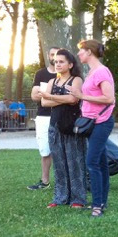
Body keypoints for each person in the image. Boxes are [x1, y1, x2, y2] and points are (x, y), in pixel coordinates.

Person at [66, 40, 115, 217]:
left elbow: (109, 98)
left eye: (81, 51)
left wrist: (81, 95)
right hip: (92, 122)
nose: (78, 54)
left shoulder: (101, 71)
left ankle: (97, 205)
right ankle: (101, 201)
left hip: (102, 122)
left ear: (89, 52)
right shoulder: (92, 72)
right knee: (100, 163)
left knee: (92, 162)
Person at [38, 49, 87, 208]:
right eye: (56, 61)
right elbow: (44, 103)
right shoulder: (52, 82)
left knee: (75, 163)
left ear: (70, 64)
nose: (57, 64)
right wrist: (61, 99)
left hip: (71, 127)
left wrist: (51, 96)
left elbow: (73, 99)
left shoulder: (76, 80)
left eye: (61, 61)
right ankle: (60, 198)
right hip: (54, 127)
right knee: (59, 164)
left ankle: (77, 199)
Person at [28, 47, 59, 190]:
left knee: (64, 150)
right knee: (45, 150)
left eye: (57, 55)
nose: (55, 58)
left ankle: (65, 181)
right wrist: (55, 96)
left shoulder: (66, 75)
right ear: (48, 56)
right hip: (43, 117)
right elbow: (34, 96)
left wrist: (45, 94)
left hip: (61, 116)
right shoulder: (41, 74)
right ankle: (45, 181)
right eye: (52, 54)